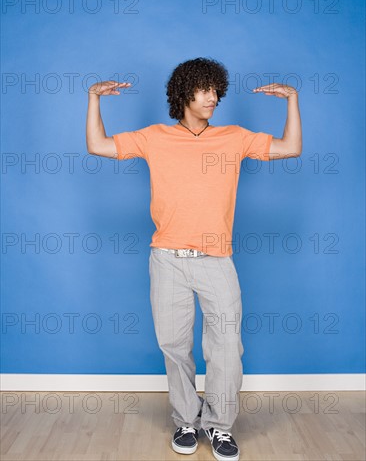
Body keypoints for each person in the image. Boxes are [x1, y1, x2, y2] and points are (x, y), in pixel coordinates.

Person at [86, 57, 302, 461]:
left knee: (225, 347)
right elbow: (98, 146)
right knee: (174, 345)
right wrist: (93, 99)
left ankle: (219, 427)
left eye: (216, 90)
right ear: (184, 93)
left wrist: (292, 100)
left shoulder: (234, 137)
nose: (213, 97)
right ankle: (186, 419)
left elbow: (290, 148)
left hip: (216, 259)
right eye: (204, 89)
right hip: (166, 258)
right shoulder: (154, 137)